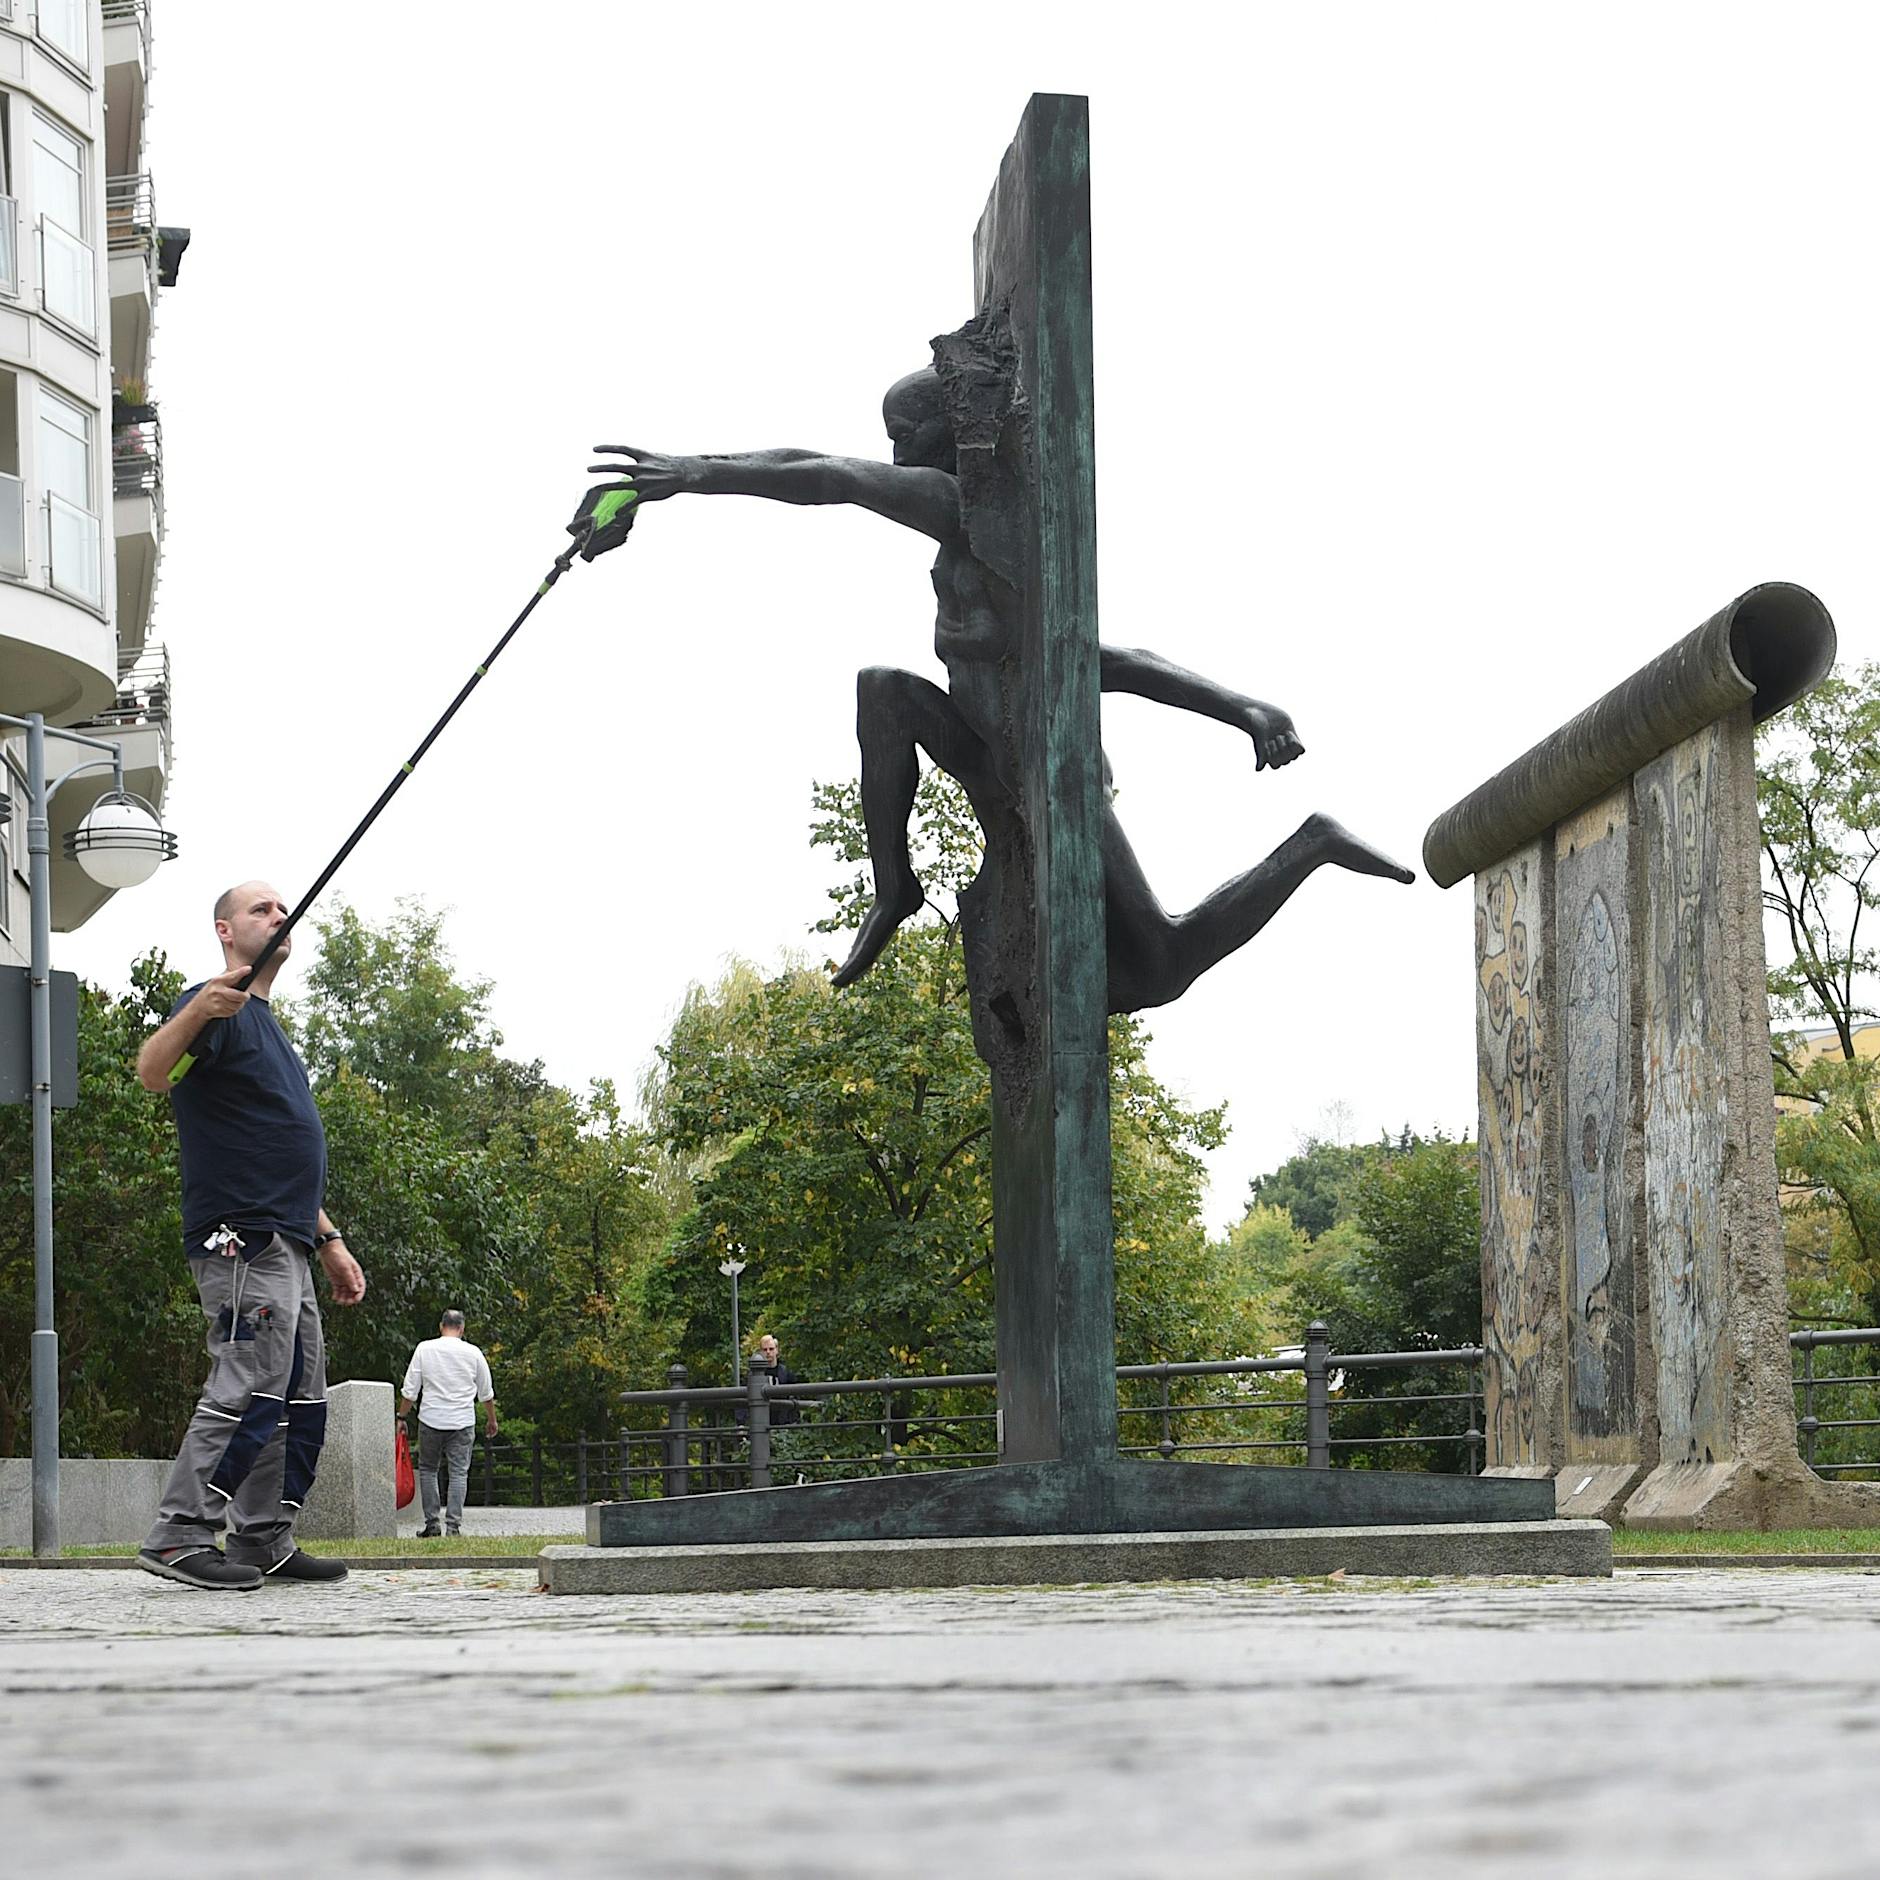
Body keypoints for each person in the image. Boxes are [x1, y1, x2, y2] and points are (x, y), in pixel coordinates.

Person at [583, 371, 1412, 1017]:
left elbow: (828, 476)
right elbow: (828, 468)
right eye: (890, 436)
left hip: (1054, 774)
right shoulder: (957, 539)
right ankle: (894, 888)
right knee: (883, 692)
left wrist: (690, 474)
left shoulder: (974, 515)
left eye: (906, 434)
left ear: (950, 433)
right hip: (985, 751)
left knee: (1157, 968)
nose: (894, 451)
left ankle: (1313, 843)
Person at [134, 882, 365, 1590]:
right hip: (241, 1237)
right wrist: (200, 1008)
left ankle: (263, 1537)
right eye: (261, 909)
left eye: (282, 908)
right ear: (225, 931)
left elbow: (279, 1152)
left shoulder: (266, 1025)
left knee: (298, 1392)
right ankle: (180, 1534)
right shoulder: (216, 1010)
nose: (278, 915)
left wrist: (329, 1239)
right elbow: (152, 1073)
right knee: (251, 1379)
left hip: (289, 1238)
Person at [397, 1309, 498, 1538]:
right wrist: (491, 1419)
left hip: (430, 1419)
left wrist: (401, 1417)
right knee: (459, 1473)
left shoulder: (424, 1349)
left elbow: (410, 1391)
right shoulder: (473, 1353)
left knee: (428, 1469)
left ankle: (432, 1524)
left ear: (441, 1326)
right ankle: (453, 1527)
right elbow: (486, 1393)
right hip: (462, 1422)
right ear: (462, 1328)